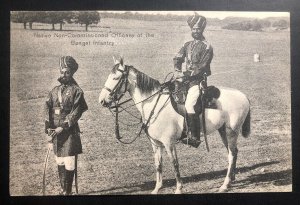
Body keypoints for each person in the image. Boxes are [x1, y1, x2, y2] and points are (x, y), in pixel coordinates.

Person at [44, 56, 88, 195]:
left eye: (67, 72)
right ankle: (63, 189)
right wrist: (48, 126)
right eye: (62, 72)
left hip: (69, 132)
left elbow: (76, 113)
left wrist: (62, 126)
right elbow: (47, 107)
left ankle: (68, 192)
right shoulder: (54, 90)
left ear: (72, 73)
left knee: (69, 161)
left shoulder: (77, 91)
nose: (64, 75)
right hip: (55, 133)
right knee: (59, 160)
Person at [173, 13, 214, 148]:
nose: (195, 31)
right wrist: (177, 70)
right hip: (185, 80)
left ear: (202, 30)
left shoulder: (207, 46)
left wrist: (188, 73)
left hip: (198, 81)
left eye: (198, 29)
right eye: (193, 29)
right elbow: (177, 58)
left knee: (190, 104)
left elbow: (202, 66)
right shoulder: (187, 44)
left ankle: (194, 136)